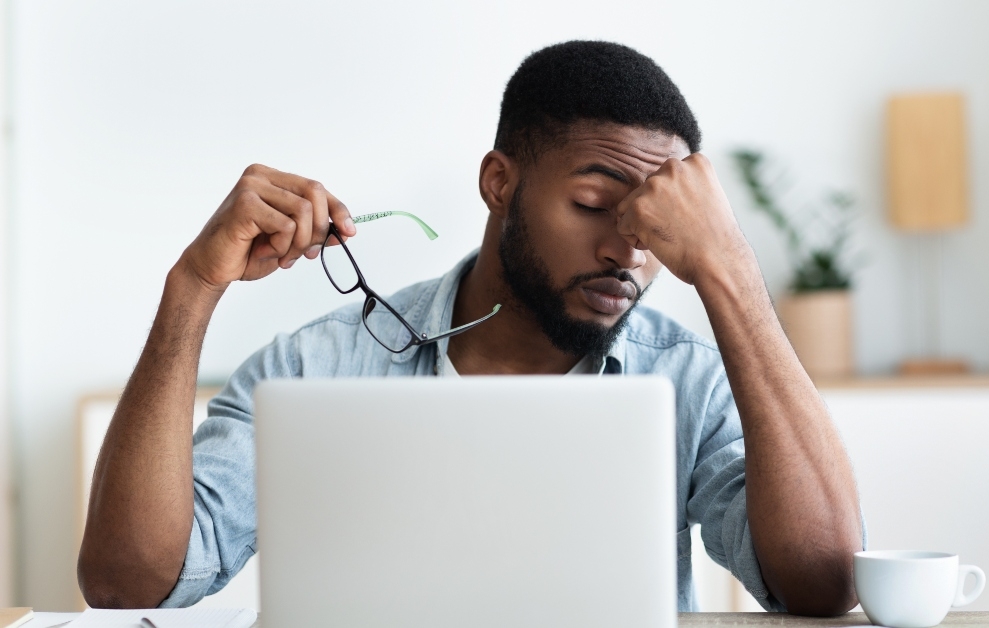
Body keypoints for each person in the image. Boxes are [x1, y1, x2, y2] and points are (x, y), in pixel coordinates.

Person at [77, 40, 863, 616]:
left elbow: (825, 580)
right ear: (498, 183)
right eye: (594, 205)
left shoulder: (684, 377)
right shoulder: (317, 367)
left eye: (658, 225)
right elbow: (126, 582)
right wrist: (192, 288)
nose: (627, 249)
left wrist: (730, 270)